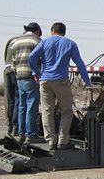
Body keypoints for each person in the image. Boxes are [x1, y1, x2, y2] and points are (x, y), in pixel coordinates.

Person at [28, 22, 91, 150]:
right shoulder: (70, 43)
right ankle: (63, 140)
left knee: (47, 111)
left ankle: (51, 140)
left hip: (45, 81)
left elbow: (32, 56)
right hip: (61, 81)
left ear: (52, 31)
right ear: (64, 32)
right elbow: (79, 63)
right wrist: (87, 81)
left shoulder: (45, 42)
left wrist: (36, 72)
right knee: (66, 111)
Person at [11, 22, 43, 145]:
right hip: (31, 76)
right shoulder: (36, 41)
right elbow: (41, 59)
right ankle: (31, 135)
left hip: (19, 77)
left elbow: (13, 62)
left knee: (22, 106)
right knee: (31, 107)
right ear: (37, 31)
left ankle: (21, 133)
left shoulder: (16, 42)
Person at [3, 32, 20, 136]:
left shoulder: (11, 40)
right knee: (19, 100)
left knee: (10, 101)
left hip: (7, 72)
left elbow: (5, 58)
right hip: (18, 72)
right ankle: (16, 127)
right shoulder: (31, 41)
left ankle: (9, 126)